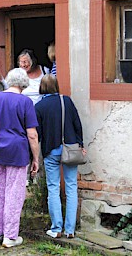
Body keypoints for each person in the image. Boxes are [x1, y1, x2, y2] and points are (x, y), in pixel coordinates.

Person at [0, 68, 40, 248]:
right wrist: (36, 158)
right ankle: (10, 236)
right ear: (23, 84)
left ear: (8, 80)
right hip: (17, 152)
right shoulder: (26, 102)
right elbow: (32, 134)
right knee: (14, 195)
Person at [34, 74, 86, 239]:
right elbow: (77, 124)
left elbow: (38, 134)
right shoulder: (67, 101)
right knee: (71, 188)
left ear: (42, 88)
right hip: (70, 150)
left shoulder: (39, 106)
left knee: (53, 188)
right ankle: (70, 230)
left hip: (51, 152)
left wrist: (34, 155)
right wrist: (81, 145)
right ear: (56, 86)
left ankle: (56, 228)